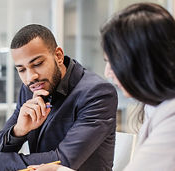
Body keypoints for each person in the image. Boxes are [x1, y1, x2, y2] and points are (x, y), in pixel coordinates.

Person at [30, 2, 175, 171]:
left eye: (112, 62)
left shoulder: (170, 121)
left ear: (141, 61)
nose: (108, 72)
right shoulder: (156, 107)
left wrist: (59, 169)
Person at [0, 24, 118, 170]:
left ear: (58, 56)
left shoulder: (97, 93)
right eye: (21, 70)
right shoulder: (30, 89)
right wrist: (18, 130)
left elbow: (63, 161)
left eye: (38, 64)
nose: (30, 77)